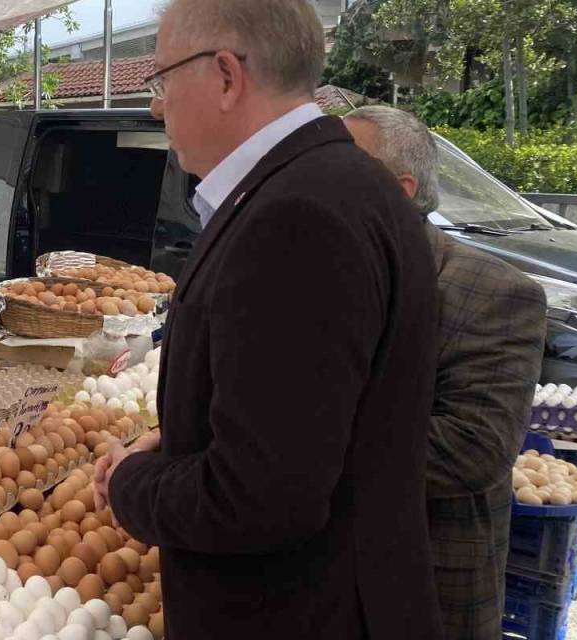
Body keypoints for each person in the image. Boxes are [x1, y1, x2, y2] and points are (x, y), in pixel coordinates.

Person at [94, 1, 444, 638]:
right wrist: (182, 443)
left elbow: (259, 497)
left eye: (162, 81)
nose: (154, 107)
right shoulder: (343, 185)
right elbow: (309, 432)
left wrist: (132, 483)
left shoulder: (297, 217)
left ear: (226, 76)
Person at [343, 105, 547, 640]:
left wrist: (304, 441)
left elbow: (470, 450)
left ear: (400, 189)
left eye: (345, 170)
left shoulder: (496, 293)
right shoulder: (331, 280)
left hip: (433, 583)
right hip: (331, 573)